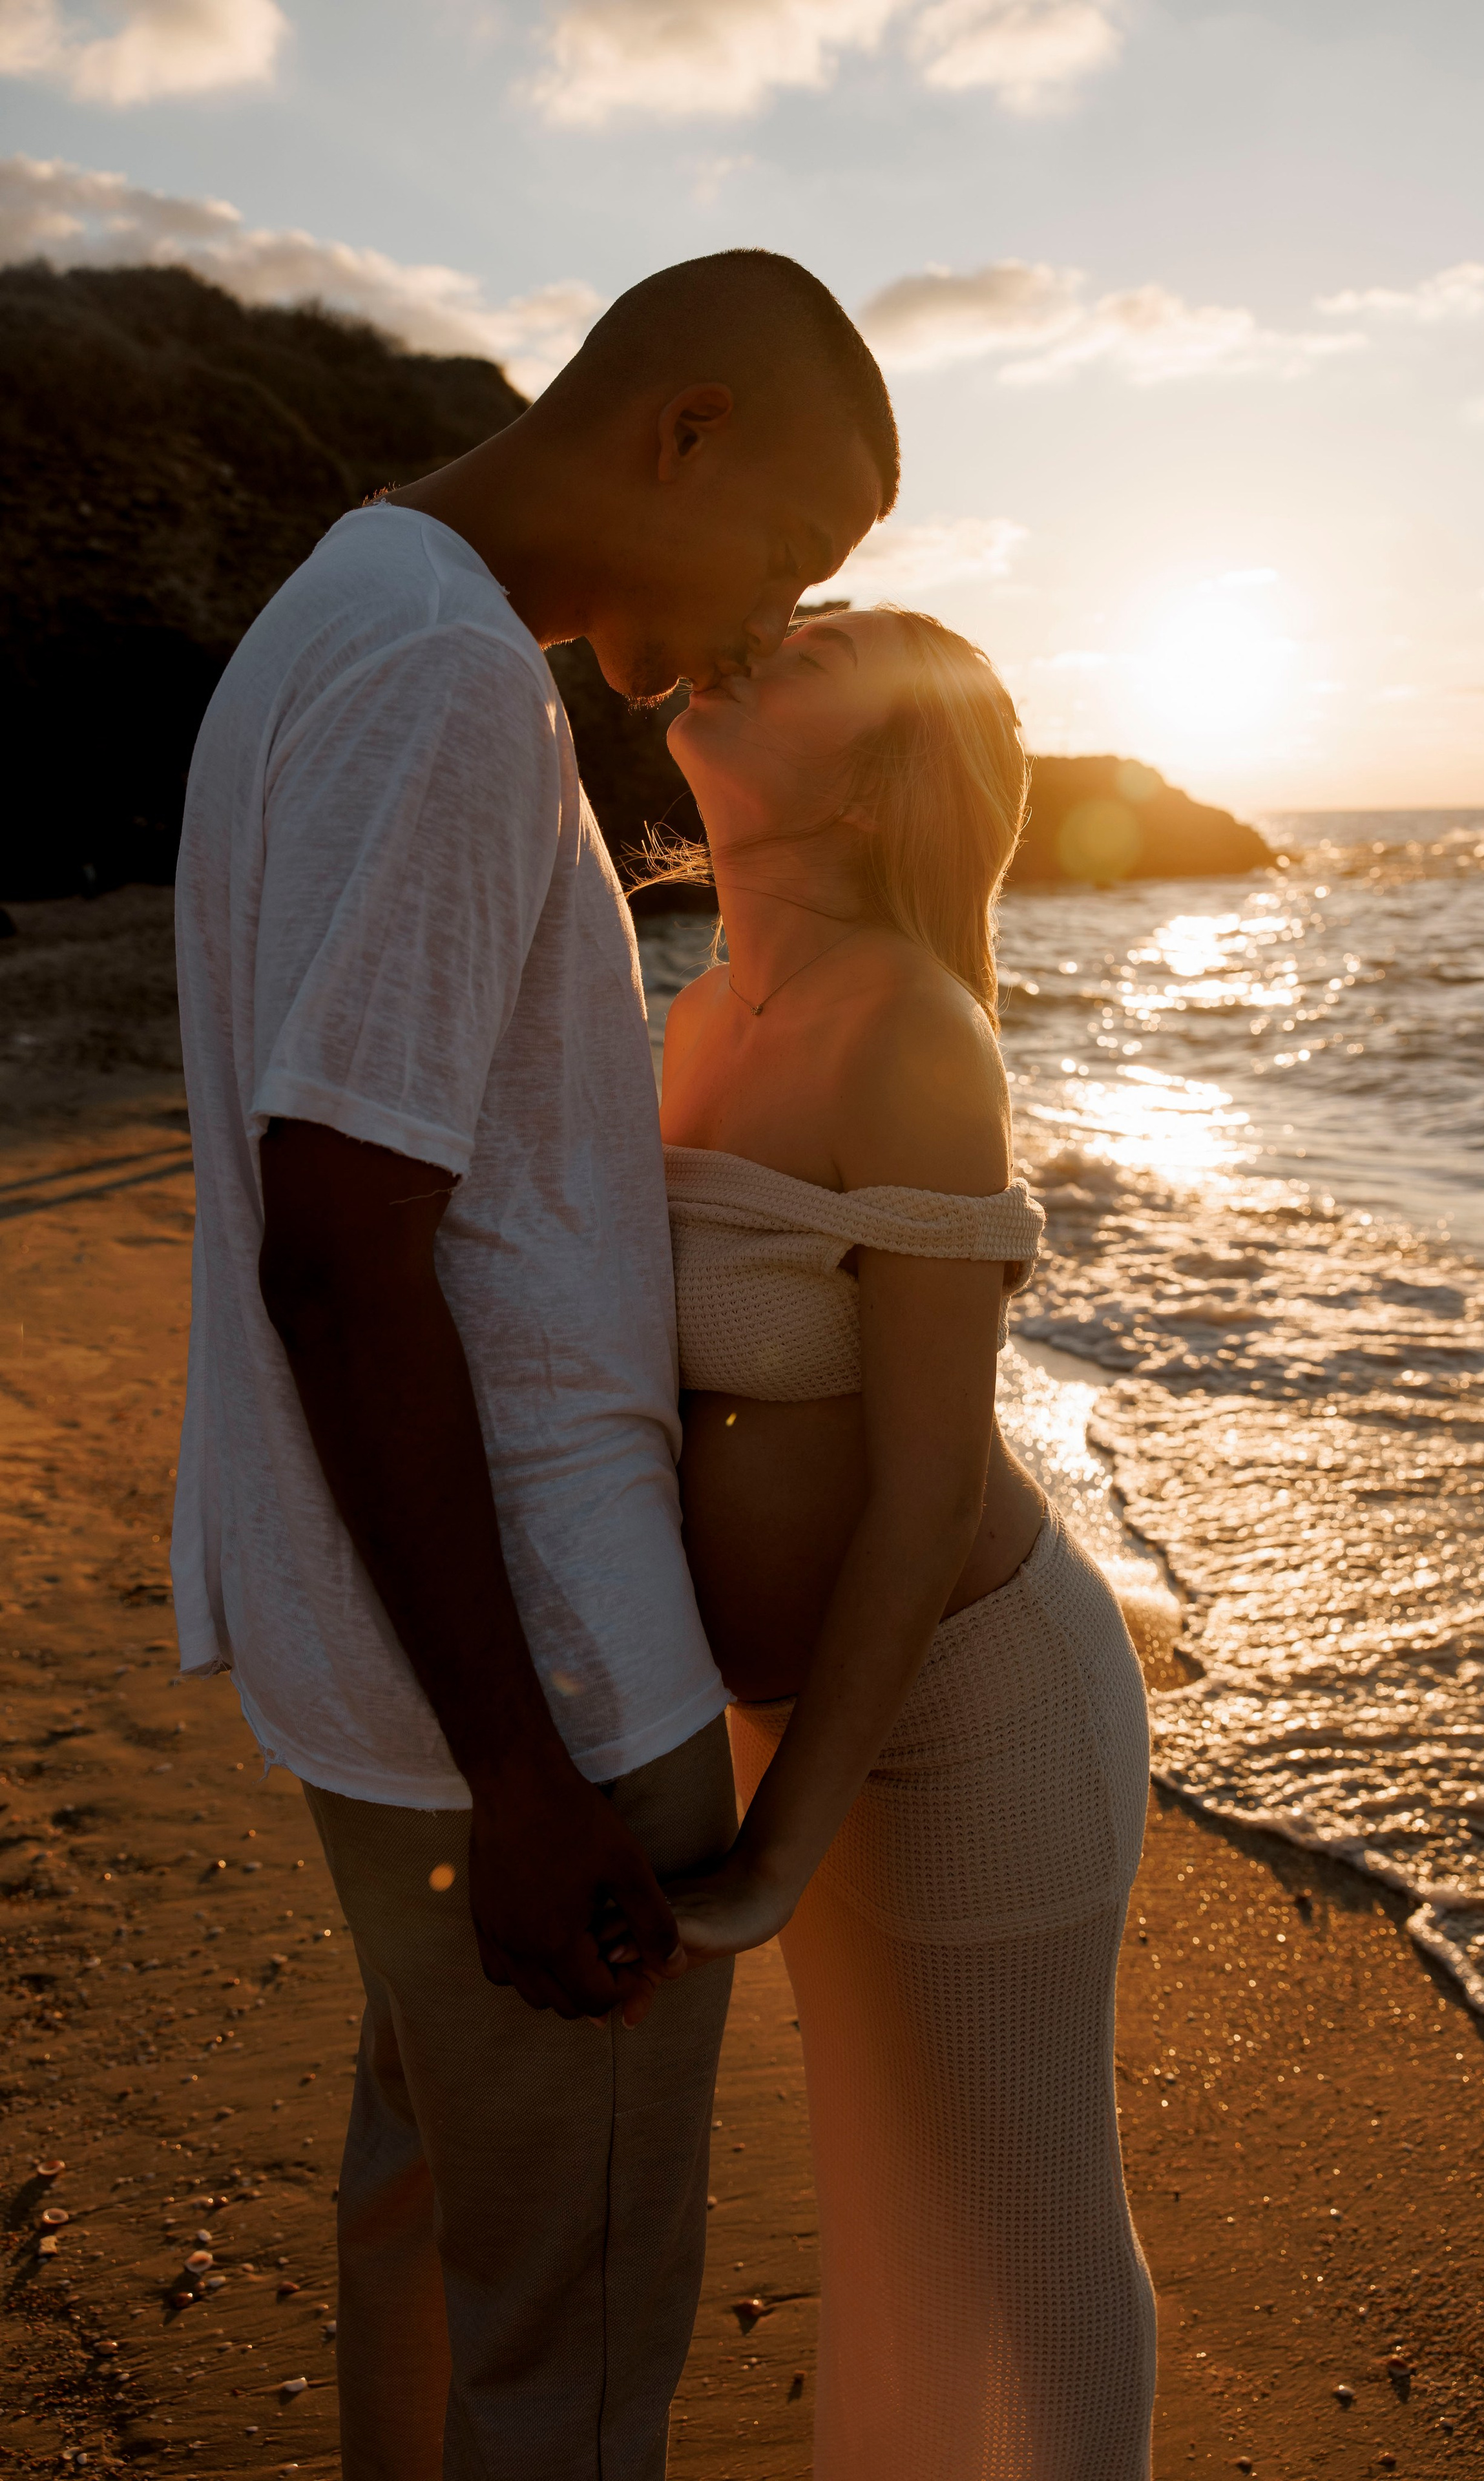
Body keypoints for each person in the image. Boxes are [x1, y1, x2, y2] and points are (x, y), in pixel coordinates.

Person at [168, 249, 896, 2480]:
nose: (774, 618)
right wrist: (529, 1766)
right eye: (787, 545)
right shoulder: (448, 680)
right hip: (538, 1679)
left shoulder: (359, 610)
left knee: (439, 2231)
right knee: (568, 2366)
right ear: (684, 430)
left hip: (405, 1652)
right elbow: (342, 1243)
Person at [640, 605, 1157, 2477]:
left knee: (1025, 2223)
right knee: (885, 2206)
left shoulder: (914, 1036)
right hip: (815, 1720)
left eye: (826, 647)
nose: (764, 636)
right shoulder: (699, 1005)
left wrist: (779, 1846)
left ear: (872, 788)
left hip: (980, 1709)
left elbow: (931, 1488)